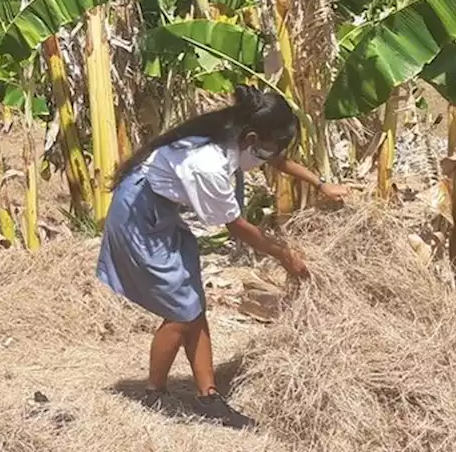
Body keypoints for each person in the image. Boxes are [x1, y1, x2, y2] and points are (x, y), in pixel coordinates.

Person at [96, 85, 348, 424]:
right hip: (139, 216)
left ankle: (207, 396)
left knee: (192, 304)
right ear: (253, 137)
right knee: (181, 312)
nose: (271, 157)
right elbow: (237, 226)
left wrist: (320, 184)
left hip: (164, 210)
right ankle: (154, 393)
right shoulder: (209, 164)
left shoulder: (236, 131)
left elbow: (278, 158)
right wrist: (284, 254)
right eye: (270, 146)